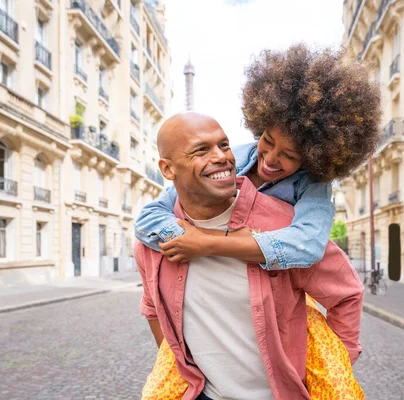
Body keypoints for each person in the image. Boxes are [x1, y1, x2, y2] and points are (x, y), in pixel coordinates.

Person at [135, 112, 365, 400]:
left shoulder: (290, 223)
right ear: (167, 169)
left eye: (223, 145)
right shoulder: (156, 238)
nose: (221, 157)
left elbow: (341, 287)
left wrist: (333, 366)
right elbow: (153, 308)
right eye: (201, 150)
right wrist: (182, 370)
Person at [135, 43, 381, 270]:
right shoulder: (230, 157)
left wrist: (207, 243)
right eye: (268, 141)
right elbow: (148, 218)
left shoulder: (312, 184)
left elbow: (308, 245)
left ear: (313, 156)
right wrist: (183, 240)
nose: (271, 159)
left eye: (289, 155)